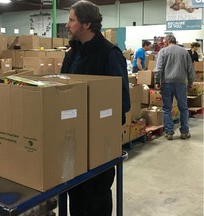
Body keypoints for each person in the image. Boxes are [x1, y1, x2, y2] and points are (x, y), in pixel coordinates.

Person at [60, 1, 130, 215]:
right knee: (76, 195)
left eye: (72, 20)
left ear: (87, 23)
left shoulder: (110, 54)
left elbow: (122, 101)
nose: (67, 24)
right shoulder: (72, 53)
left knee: (96, 198)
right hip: (72, 141)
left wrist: (100, 130)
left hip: (100, 146)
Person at [154, 34, 195, 140]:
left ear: (167, 41)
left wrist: (157, 81)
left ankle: (169, 133)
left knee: (167, 108)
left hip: (166, 83)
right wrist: (191, 82)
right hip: (181, 83)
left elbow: (158, 69)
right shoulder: (184, 52)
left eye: (164, 42)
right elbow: (190, 69)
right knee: (183, 108)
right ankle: (184, 132)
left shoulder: (163, 52)